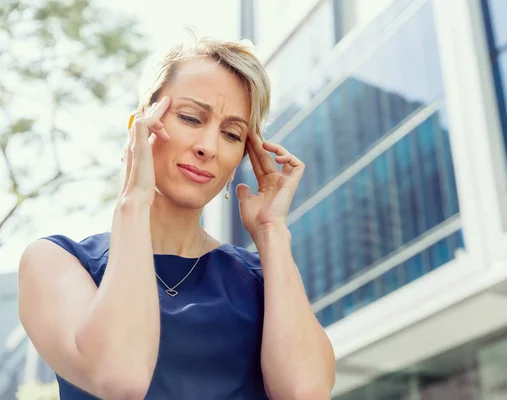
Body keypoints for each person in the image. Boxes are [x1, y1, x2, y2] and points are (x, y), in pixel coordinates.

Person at [18, 36, 336, 400]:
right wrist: (133, 201)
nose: (209, 147)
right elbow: (120, 378)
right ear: (141, 124)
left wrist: (271, 231)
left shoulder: (261, 280)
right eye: (190, 118)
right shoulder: (58, 262)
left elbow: (305, 393)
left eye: (231, 134)